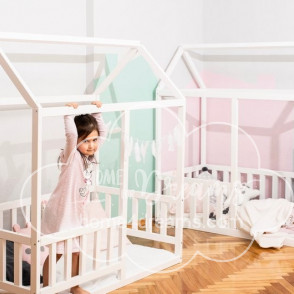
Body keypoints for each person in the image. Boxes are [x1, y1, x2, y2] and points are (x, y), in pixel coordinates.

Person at [41, 101, 107, 294]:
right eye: (86, 141)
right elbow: (71, 135)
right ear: (77, 141)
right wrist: (68, 114)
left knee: (76, 251)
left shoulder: (89, 157)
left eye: (94, 141)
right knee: (57, 252)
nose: (92, 145)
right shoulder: (71, 156)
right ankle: (46, 287)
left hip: (75, 214)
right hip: (61, 212)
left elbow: (102, 134)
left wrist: (97, 113)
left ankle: (75, 286)